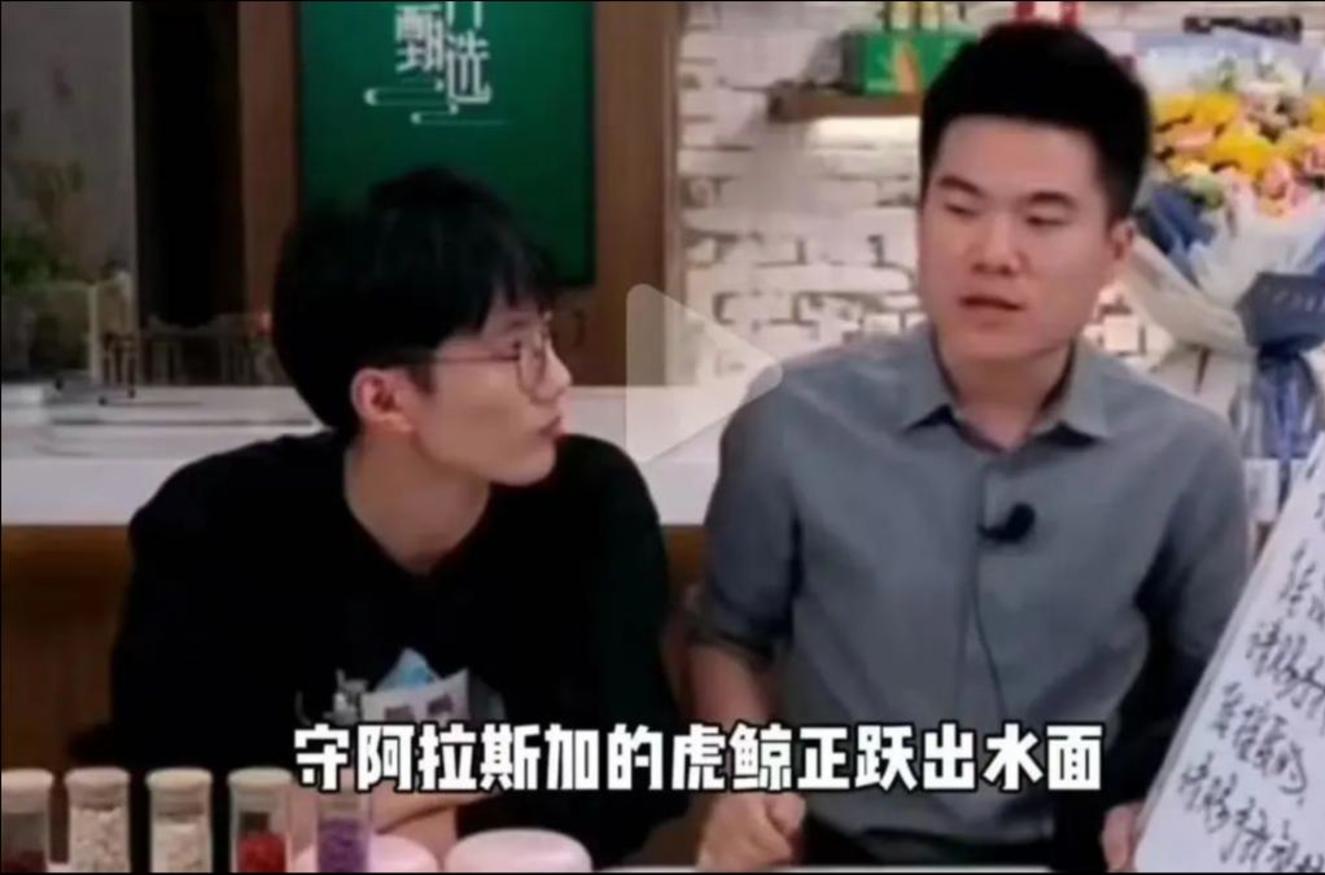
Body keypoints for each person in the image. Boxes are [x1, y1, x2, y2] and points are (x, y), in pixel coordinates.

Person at [689, 22, 1249, 871]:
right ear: (918, 217)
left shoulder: (1186, 459)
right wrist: (746, 785)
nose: (993, 253)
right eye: (959, 208)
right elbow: (727, 638)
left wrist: (1158, 808)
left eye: (1043, 219)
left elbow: (1214, 701)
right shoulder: (792, 423)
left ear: (1114, 253)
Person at [109, 168, 685, 868]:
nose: (558, 378)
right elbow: (191, 804)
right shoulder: (217, 526)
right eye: (517, 350)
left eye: (547, 336)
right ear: (385, 400)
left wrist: (362, 813)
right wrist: (491, 776)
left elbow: (636, 770)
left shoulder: (588, 502)